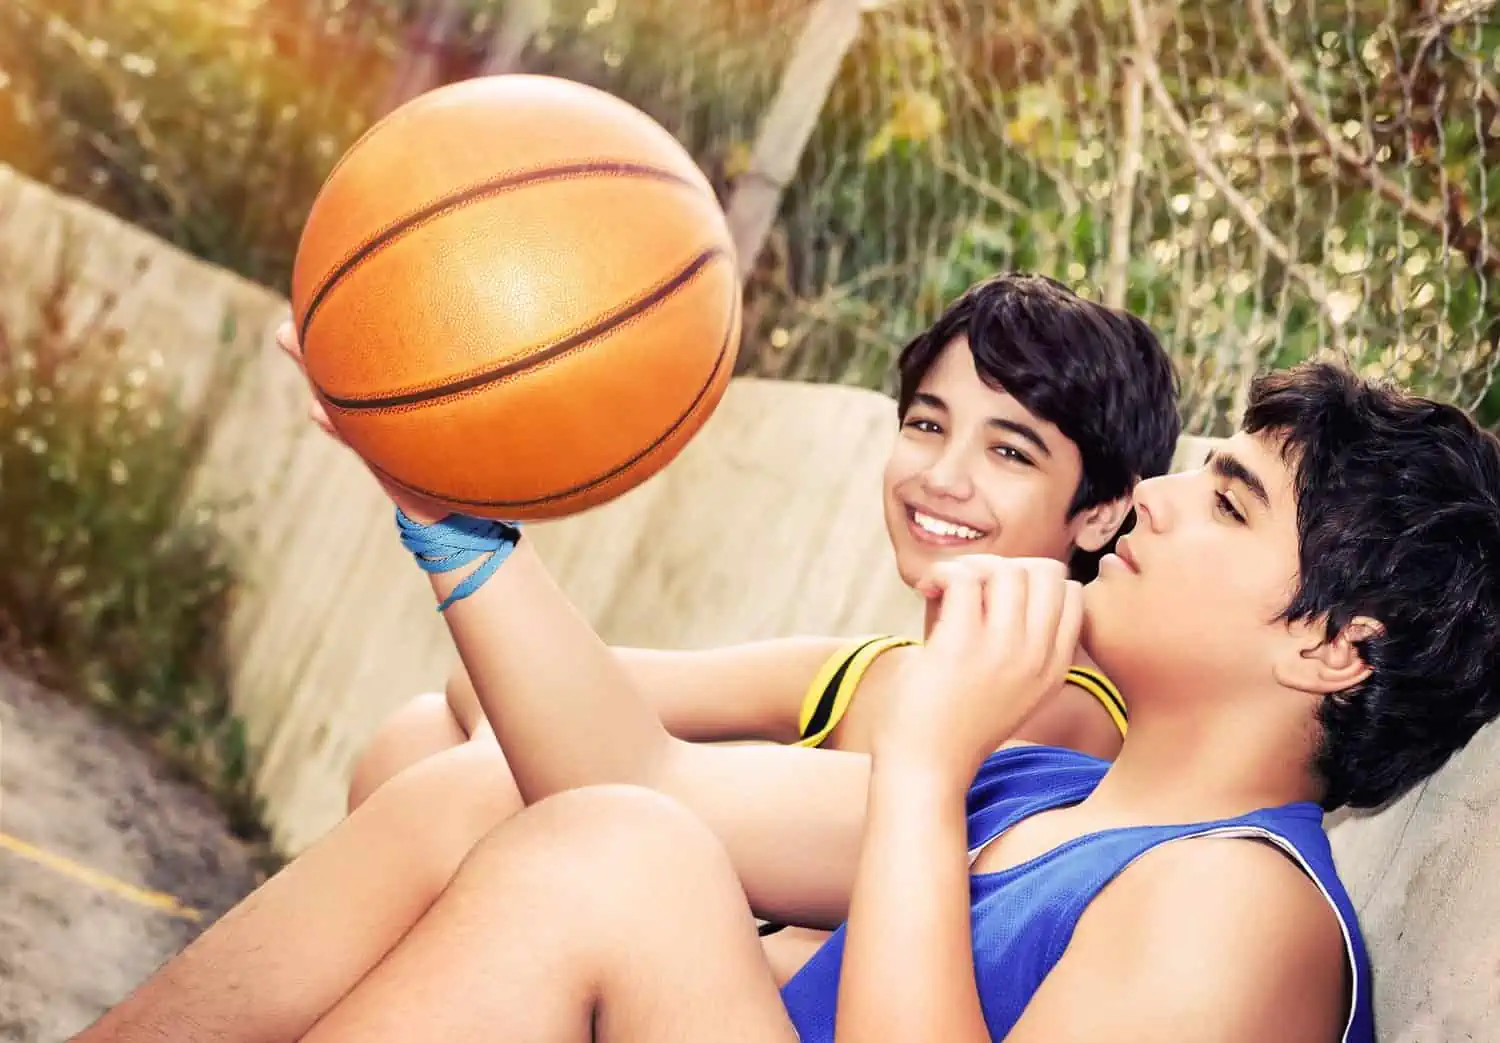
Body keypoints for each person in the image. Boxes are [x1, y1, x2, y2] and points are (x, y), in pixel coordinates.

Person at [82, 359, 1500, 1043]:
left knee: (620, 861)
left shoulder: (1244, 912)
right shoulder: (1052, 795)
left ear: (1334, 646)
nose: (1156, 499)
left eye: (1228, 499)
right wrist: (447, 518)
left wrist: (931, 760)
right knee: (551, 812)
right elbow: (618, 768)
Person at [342, 273, 1180, 971]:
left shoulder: (1063, 723)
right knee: (426, 739)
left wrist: (446, 520)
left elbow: (614, 776)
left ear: (1102, 515)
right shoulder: (872, 671)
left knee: (481, 791)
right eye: (928, 424)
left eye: (1009, 452)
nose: (943, 477)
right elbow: (486, 690)